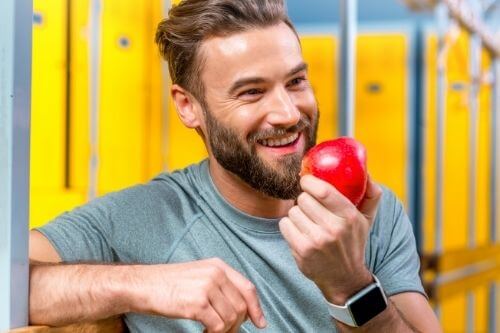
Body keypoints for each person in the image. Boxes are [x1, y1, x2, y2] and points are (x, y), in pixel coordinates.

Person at [29, 0, 442, 332]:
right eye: (251, 92)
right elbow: (10, 280)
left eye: (296, 81)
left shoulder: (370, 212)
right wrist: (140, 283)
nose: (286, 112)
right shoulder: (144, 218)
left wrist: (349, 284)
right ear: (188, 107)